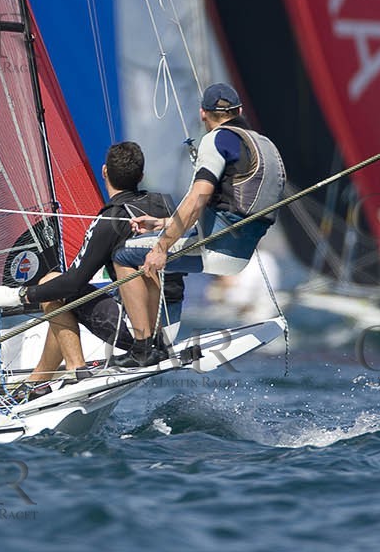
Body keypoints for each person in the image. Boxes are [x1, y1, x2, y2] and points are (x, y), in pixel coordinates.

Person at [114, 82, 286, 366]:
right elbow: (226, 204)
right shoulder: (265, 144)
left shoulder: (217, 140)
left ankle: (143, 348)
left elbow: (198, 197)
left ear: (203, 114)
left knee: (124, 255)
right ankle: (160, 341)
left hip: (218, 248)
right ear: (239, 111)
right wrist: (162, 222)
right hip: (241, 252)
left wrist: (161, 246)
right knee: (166, 264)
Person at [0, 142, 179, 387]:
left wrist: (20, 295)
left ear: (104, 171)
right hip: (171, 324)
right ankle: (37, 383)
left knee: (52, 285)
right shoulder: (166, 205)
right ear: (141, 176)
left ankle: (77, 371)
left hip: (139, 335)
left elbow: (73, 283)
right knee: (61, 296)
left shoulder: (110, 219)